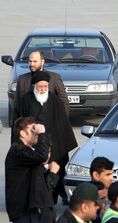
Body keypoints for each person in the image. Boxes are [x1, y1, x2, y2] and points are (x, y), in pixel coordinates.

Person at [13, 71, 78, 205]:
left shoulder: (54, 101)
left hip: (52, 147)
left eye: (45, 87)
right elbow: (18, 122)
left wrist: (55, 147)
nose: (42, 89)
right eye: (40, 86)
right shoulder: (26, 100)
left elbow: (62, 126)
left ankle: (52, 202)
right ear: (33, 86)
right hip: (32, 147)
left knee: (53, 176)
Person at [5, 117, 59, 223]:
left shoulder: (29, 153)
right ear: (22, 133)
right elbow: (41, 155)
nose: (36, 133)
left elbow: (45, 189)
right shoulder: (17, 150)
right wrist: (42, 133)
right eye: (32, 130)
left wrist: (52, 173)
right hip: (25, 214)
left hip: (36, 213)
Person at [15, 50, 69, 115]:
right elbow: (17, 105)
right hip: (28, 122)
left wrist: (62, 121)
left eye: (35, 61)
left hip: (48, 121)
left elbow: (64, 101)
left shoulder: (54, 78)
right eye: (30, 61)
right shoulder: (22, 79)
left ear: (42, 61)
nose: (32, 64)